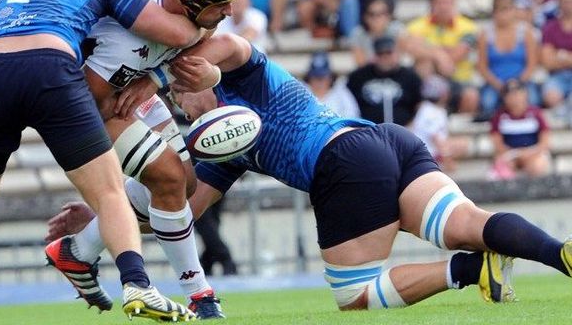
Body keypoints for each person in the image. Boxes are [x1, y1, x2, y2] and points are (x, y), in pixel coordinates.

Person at [48, 32, 572, 313]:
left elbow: (230, 45)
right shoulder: (221, 147)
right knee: (468, 225)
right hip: (386, 144)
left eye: (181, 93)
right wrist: (104, 214)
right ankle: (560, 254)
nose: (182, 106)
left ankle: (468, 272)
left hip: (341, 163)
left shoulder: (242, 78)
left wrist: (179, 70)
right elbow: (180, 209)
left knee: (353, 295)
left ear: (191, 74)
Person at [0, 0, 208, 321]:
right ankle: (138, 285)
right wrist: (206, 20)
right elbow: (176, 31)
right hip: (49, 64)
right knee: (110, 192)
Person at [45, 0, 239, 319]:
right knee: (166, 177)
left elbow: (202, 33)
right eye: (221, 5)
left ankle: (79, 251)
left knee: (185, 185)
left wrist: (156, 78)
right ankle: (200, 294)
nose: (228, 12)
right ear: (191, 2)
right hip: (96, 100)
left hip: (131, 81)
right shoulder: (123, 43)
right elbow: (91, 101)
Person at [407, 0, 480, 114]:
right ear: (431, 4)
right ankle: (428, 116)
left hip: (457, 79)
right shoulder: (417, 25)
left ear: (454, 4)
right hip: (430, 79)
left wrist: (431, 51)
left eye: (447, 2)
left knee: (471, 95)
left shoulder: (468, 27)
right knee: (424, 64)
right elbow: (413, 49)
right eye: (439, 2)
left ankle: (459, 127)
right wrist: (439, 55)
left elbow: (457, 55)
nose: (444, 6)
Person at [477, 0, 540, 117]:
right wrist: (499, 85)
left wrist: (517, 84)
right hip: (496, 83)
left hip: (522, 81)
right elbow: (482, 67)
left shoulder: (526, 32)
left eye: (507, 10)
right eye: (500, 10)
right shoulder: (485, 35)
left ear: (514, 11)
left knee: (533, 100)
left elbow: (532, 64)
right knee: (487, 103)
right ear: (494, 13)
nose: (504, 15)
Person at [347, 36, 422, 126]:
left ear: (397, 54)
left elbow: (420, 104)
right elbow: (348, 104)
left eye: (389, 53)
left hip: (404, 131)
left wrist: (411, 126)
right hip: (367, 132)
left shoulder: (410, 77)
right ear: (374, 55)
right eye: (380, 53)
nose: (385, 57)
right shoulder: (358, 77)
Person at [489, 79, 551, 180]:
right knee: (501, 166)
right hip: (509, 153)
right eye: (510, 94)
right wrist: (515, 154)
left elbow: (545, 141)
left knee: (537, 166)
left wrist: (529, 153)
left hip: (533, 152)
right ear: (504, 98)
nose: (515, 97)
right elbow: (497, 142)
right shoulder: (499, 116)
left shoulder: (536, 113)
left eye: (517, 93)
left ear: (525, 94)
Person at [410, 74, 470, 172]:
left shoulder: (428, 109)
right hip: (426, 152)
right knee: (462, 144)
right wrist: (448, 161)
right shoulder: (431, 111)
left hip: (429, 149)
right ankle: (435, 165)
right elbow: (436, 139)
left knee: (462, 143)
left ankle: (437, 163)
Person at [541, 0, 572, 112]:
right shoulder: (550, 28)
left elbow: (553, 59)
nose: (568, 4)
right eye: (565, 1)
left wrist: (561, 56)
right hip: (557, 77)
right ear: (558, 3)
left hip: (559, 72)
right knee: (551, 96)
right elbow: (548, 62)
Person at [349, 0, 406, 67]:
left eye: (381, 13)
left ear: (389, 16)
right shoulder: (357, 33)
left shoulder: (398, 30)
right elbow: (360, 63)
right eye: (372, 14)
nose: (376, 18)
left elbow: (398, 59)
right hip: (369, 74)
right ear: (365, 17)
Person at [304, 51, 360, 118]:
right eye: (316, 77)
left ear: (331, 77)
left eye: (323, 77)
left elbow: (353, 115)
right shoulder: (301, 93)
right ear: (309, 77)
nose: (320, 81)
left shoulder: (341, 92)